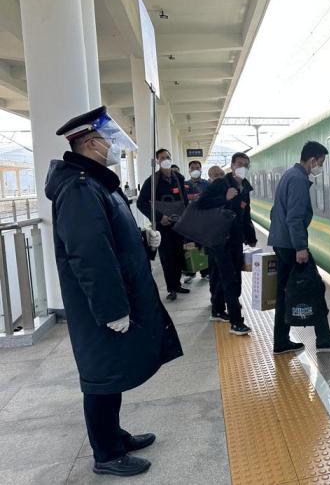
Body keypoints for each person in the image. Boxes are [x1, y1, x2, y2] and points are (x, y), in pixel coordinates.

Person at [46, 106, 183, 477]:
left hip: (112, 297)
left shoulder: (96, 184)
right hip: (99, 305)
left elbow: (112, 238)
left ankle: (114, 435)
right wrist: (111, 309)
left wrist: (144, 241)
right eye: (109, 140)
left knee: (112, 371)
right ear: (92, 143)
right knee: (101, 376)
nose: (115, 147)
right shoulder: (79, 189)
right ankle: (106, 453)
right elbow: (90, 255)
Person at [268, 141, 330, 354]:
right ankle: (323, 339)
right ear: (312, 160)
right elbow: (294, 218)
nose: (320, 166)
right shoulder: (298, 180)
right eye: (321, 162)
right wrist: (300, 247)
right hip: (291, 245)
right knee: (314, 287)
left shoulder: (289, 175)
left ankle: (281, 341)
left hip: (282, 242)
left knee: (284, 292)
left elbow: (276, 211)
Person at [197, 156, 256, 334]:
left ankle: (217, 310)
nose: (242, 168)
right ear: (232, 166)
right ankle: (236, 322)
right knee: (230, 279)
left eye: (246, 165)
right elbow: (201, 203)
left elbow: (245, 214)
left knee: (227, 276)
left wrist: (250, 236)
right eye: (239, 164)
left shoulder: (245, 187)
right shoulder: (221, 184)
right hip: (219, 239)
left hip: (235, 239)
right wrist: (225, 197)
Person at [137, 149, 190, 301]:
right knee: (167, 257)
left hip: (179, 223)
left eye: (167, 157)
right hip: (163, 226)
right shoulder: (152, 181)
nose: (165, 160)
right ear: (157, 161)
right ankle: (171, 288)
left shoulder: (178, 178)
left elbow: (185, 200)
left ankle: (177, 284)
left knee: (179, 255)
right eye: (162, 158)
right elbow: (141, 203)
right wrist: (159, 218)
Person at [183, 160, 209, 283]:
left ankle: (205, 272)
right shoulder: (184, 185)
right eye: (192, 168)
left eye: (197, 168)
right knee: (189, 247)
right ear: (189, 170)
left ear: (201, 169)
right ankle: (191, 272)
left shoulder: (207, 184)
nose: (195, 170)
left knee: (204, 247)